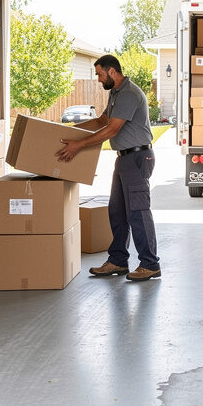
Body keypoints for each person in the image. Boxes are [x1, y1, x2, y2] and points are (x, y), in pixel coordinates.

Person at [55, 54, 161, 282]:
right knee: (117, 211)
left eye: (100, 74)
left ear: (112, 72)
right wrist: (67, 132)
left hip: (137, 158)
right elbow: (101, 121)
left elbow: (112, 130)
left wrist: (79, 145)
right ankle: (118, 260)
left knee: (138, 212)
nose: (99, 79)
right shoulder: (116, 93)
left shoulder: (129, 94)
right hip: (124, 159)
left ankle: (150, 264)